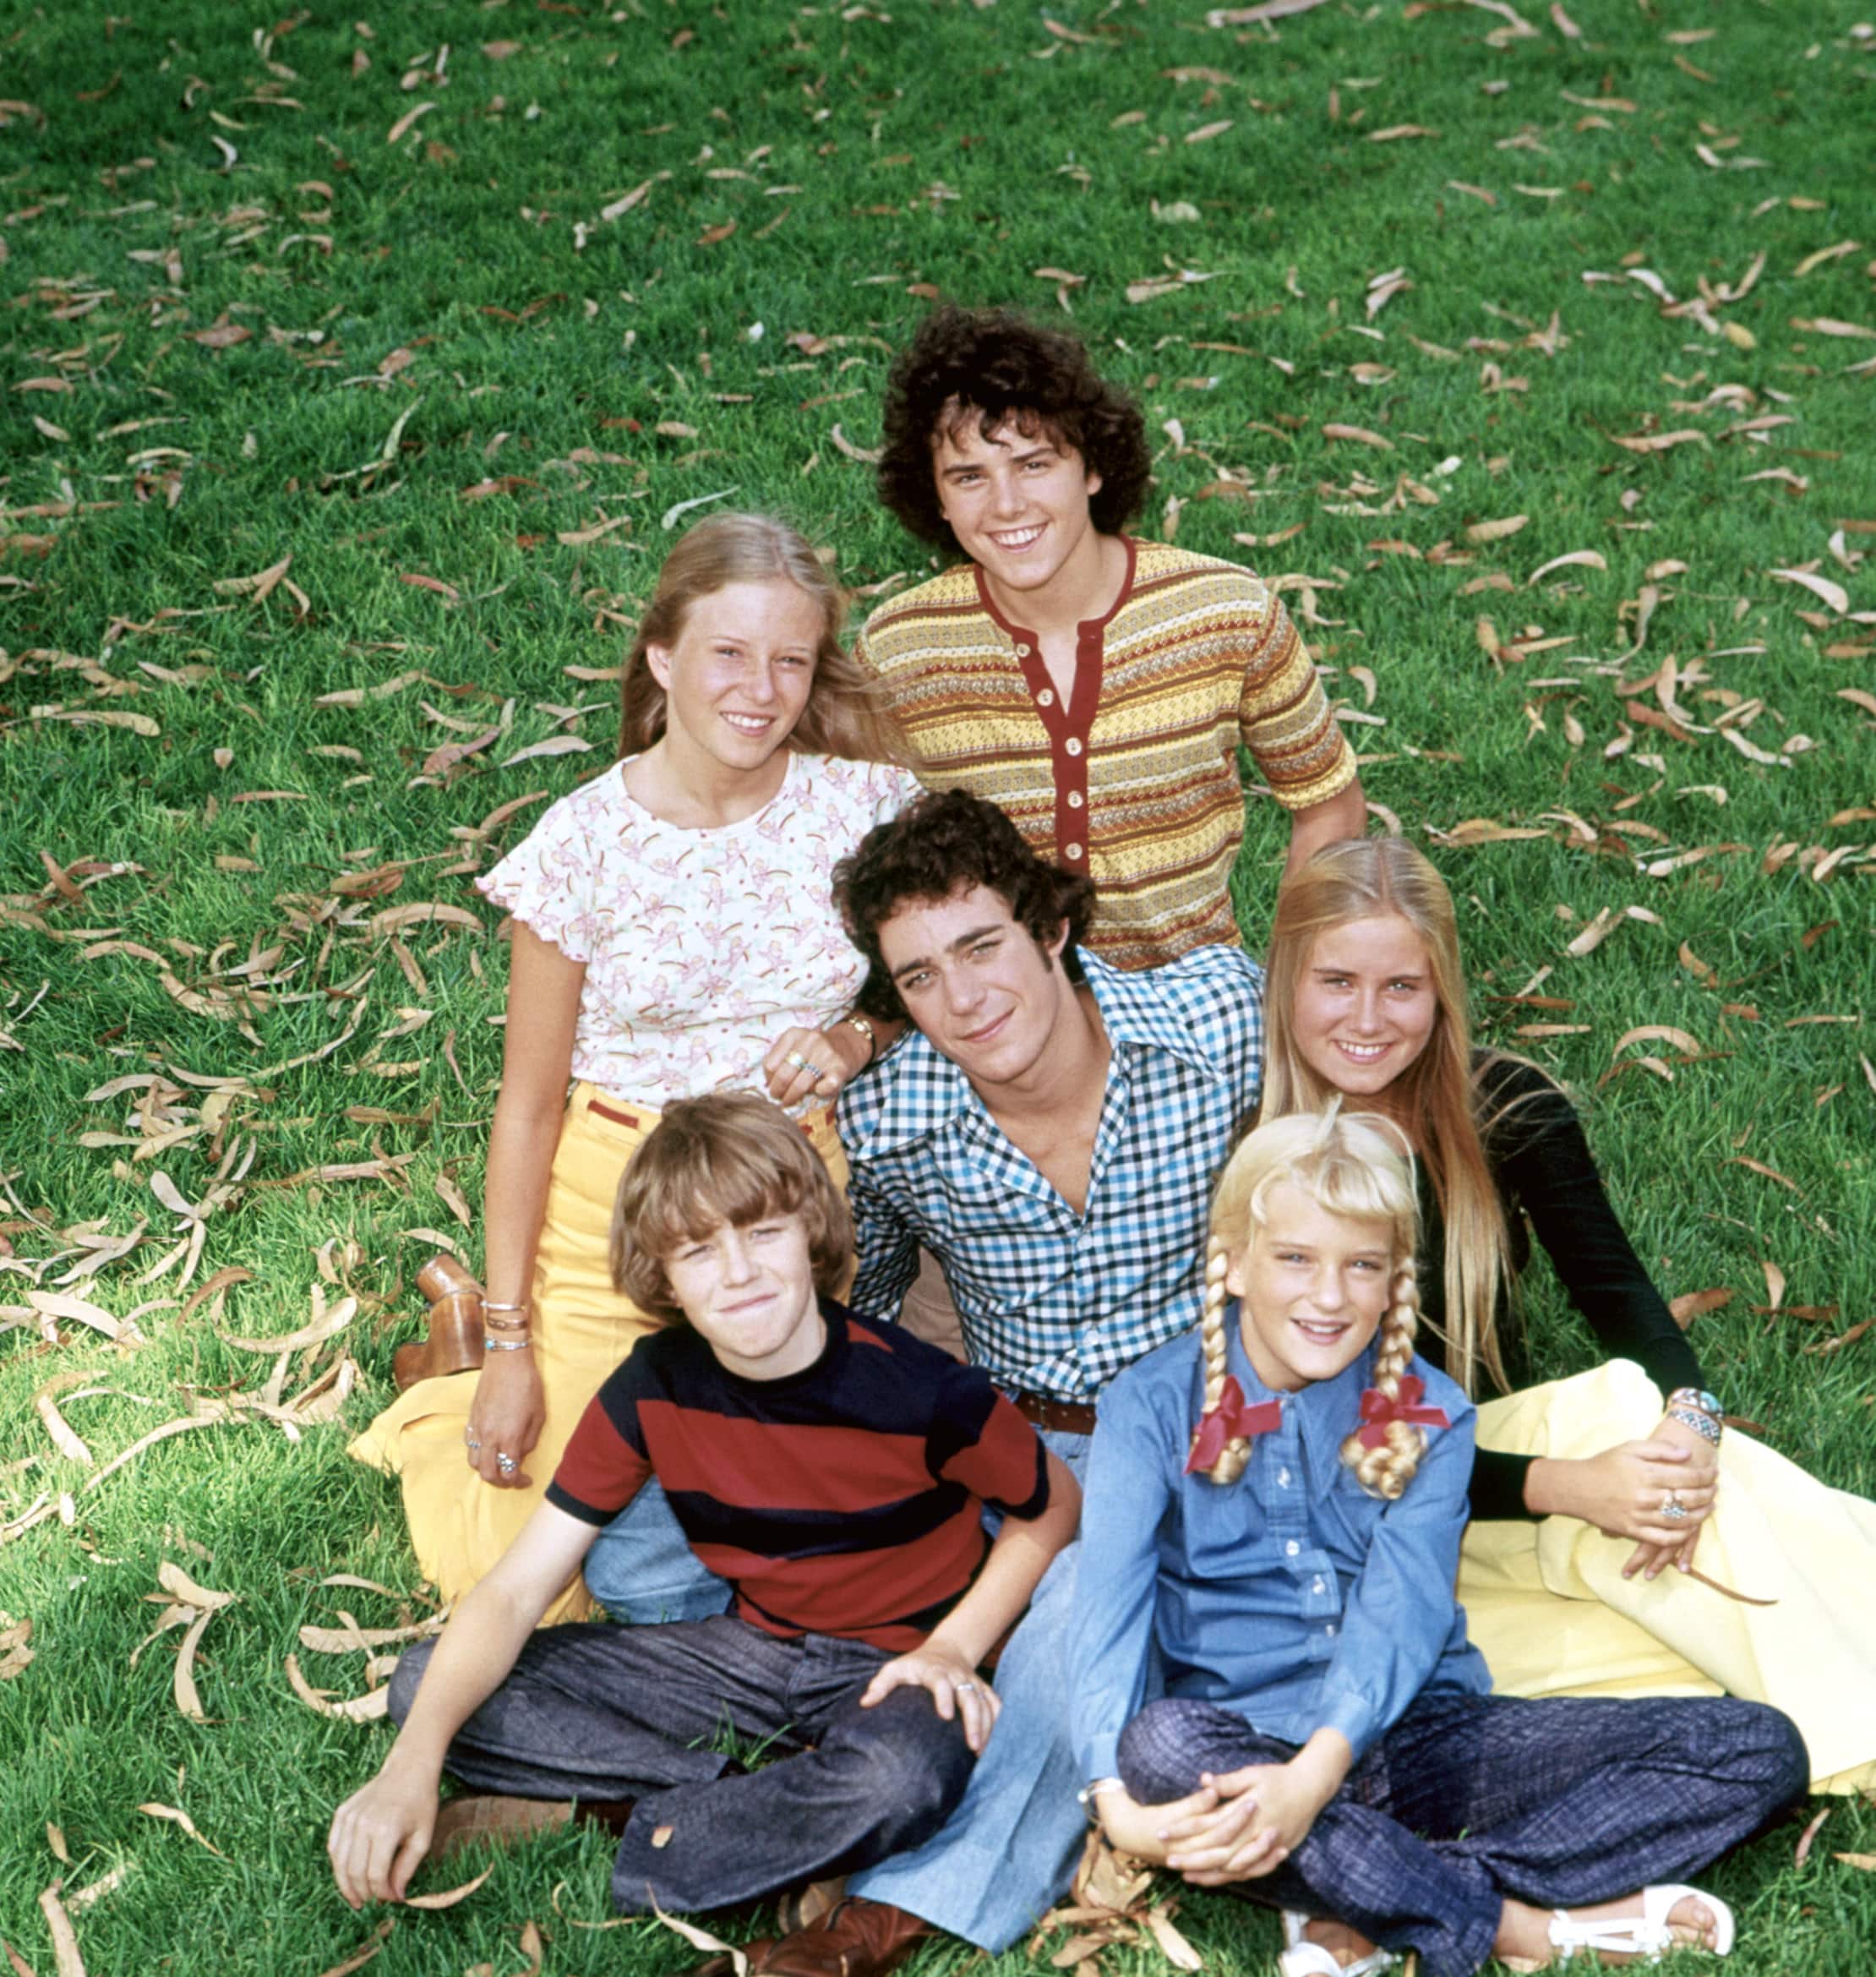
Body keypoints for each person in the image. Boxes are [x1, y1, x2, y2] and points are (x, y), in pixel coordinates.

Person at [708, 787, 1266, 1976]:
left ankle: (882, 1920)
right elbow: (868, 1303)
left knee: (1073, 1615)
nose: (962, 999)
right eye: (918, 978)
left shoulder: (1218, 1016)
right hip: (1033, 1455)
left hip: (1216, 1432)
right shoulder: (893, 1117)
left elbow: (1374, 1113)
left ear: (1050, 927)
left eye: (980, 946)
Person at [1070, 1107, 1807, 1977]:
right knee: (1159, 1746)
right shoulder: (1146, 1406)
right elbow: (1108, 1613)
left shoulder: (1432, 1410)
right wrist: (1115, 1805)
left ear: (1395, 1284)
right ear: (1231, 1262)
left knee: (1757, 1747)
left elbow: (1404, 1612)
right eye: (1296, 1257)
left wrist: (1316, 1781)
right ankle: (1526, 1926)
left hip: (1423, 1735)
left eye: (1362, 1266)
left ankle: (1368, 1894)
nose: (1329, 1294)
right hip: (1245, 1742)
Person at [350, 513, 921, 1625]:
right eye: (729, 652)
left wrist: (855, 1035)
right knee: (540, 1590)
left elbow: (944, 969)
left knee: (789, 1547)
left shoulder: (865, 808)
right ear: (662, 655)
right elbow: (524, 1107)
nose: (762, 688)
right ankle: (460, 1369)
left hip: (787, 1194)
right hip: (618, 1201)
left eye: (791, 659)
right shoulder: (580, 847)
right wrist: (517, 1346)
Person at [327, 1094, 1079, 1920]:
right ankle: (764, 1811)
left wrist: (952, 1648)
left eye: (764, 1233)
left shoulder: (917, 1385)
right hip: (752, 1651)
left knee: (902, 1777)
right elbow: (513, 1591)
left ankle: (621, 1815)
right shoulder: (654, 1385)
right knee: (430, 1684)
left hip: (896, 1665)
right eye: (699, 1250)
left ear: (811, 1233)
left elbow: (1053, 1503)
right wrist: (410, 1762)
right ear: (665, 1277)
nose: (740, 1271)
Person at [1259, 835, 1876, 1794]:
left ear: (1443, 990)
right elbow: (1324, 1441)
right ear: (1286, 979)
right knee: (1656, 1636)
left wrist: (1693, 1424)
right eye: (1337, 980)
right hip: (1356, 1537)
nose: (1369, 1019)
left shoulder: (1505, 1105)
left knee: (1634, 1415)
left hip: (1497, 1475)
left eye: (1403, 987)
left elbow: (1625, 1301)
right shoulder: (1252, 1145)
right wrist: (1570, 1486)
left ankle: (1848, 1721)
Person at [854, 303, 1366, 974]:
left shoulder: (1226, 613)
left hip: (1195, 1014)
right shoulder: (899, 651)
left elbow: (1328, 802)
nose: (1006, 504)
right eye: (970, 476)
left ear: (1092, 469)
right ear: (937, 498)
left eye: (1035, 464)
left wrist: (1290, 982)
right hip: (991, 1025)